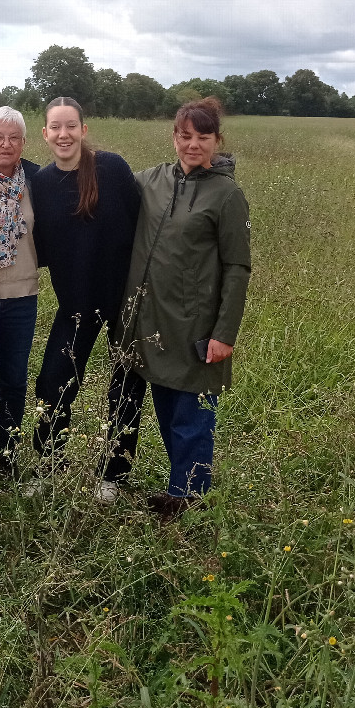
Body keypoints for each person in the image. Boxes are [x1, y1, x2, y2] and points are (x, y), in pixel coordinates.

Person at [119, 97, 251, 522]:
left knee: (192, 418)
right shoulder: (151, 181)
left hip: (198, 326)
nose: (193, 144)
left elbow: (237, 267)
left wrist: (224, 332)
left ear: (217, 140)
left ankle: (190, 502)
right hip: (155, 323)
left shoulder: (227, 194)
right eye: (185, 135)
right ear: (173, 136)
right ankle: (181, 491)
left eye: (203, 137)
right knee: (168, 412)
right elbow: (103, 188)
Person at [30, 97, 146, 503]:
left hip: (123, 301)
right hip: (74, 304)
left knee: (127, 386)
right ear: (44, 133)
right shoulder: (40, 183)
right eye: (55, 127)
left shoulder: (112, 169)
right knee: (53, 383)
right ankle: (48, 467)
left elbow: (142, 226)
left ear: (83, 129)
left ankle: (113, 476)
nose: (64, 134)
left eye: (71, 126)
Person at [0, 106, 42, 477]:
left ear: (24, 143)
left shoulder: (37, 180)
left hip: (22, 295)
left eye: (14, 137)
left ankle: (8, 457)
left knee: (14, 380)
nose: (6, 144)